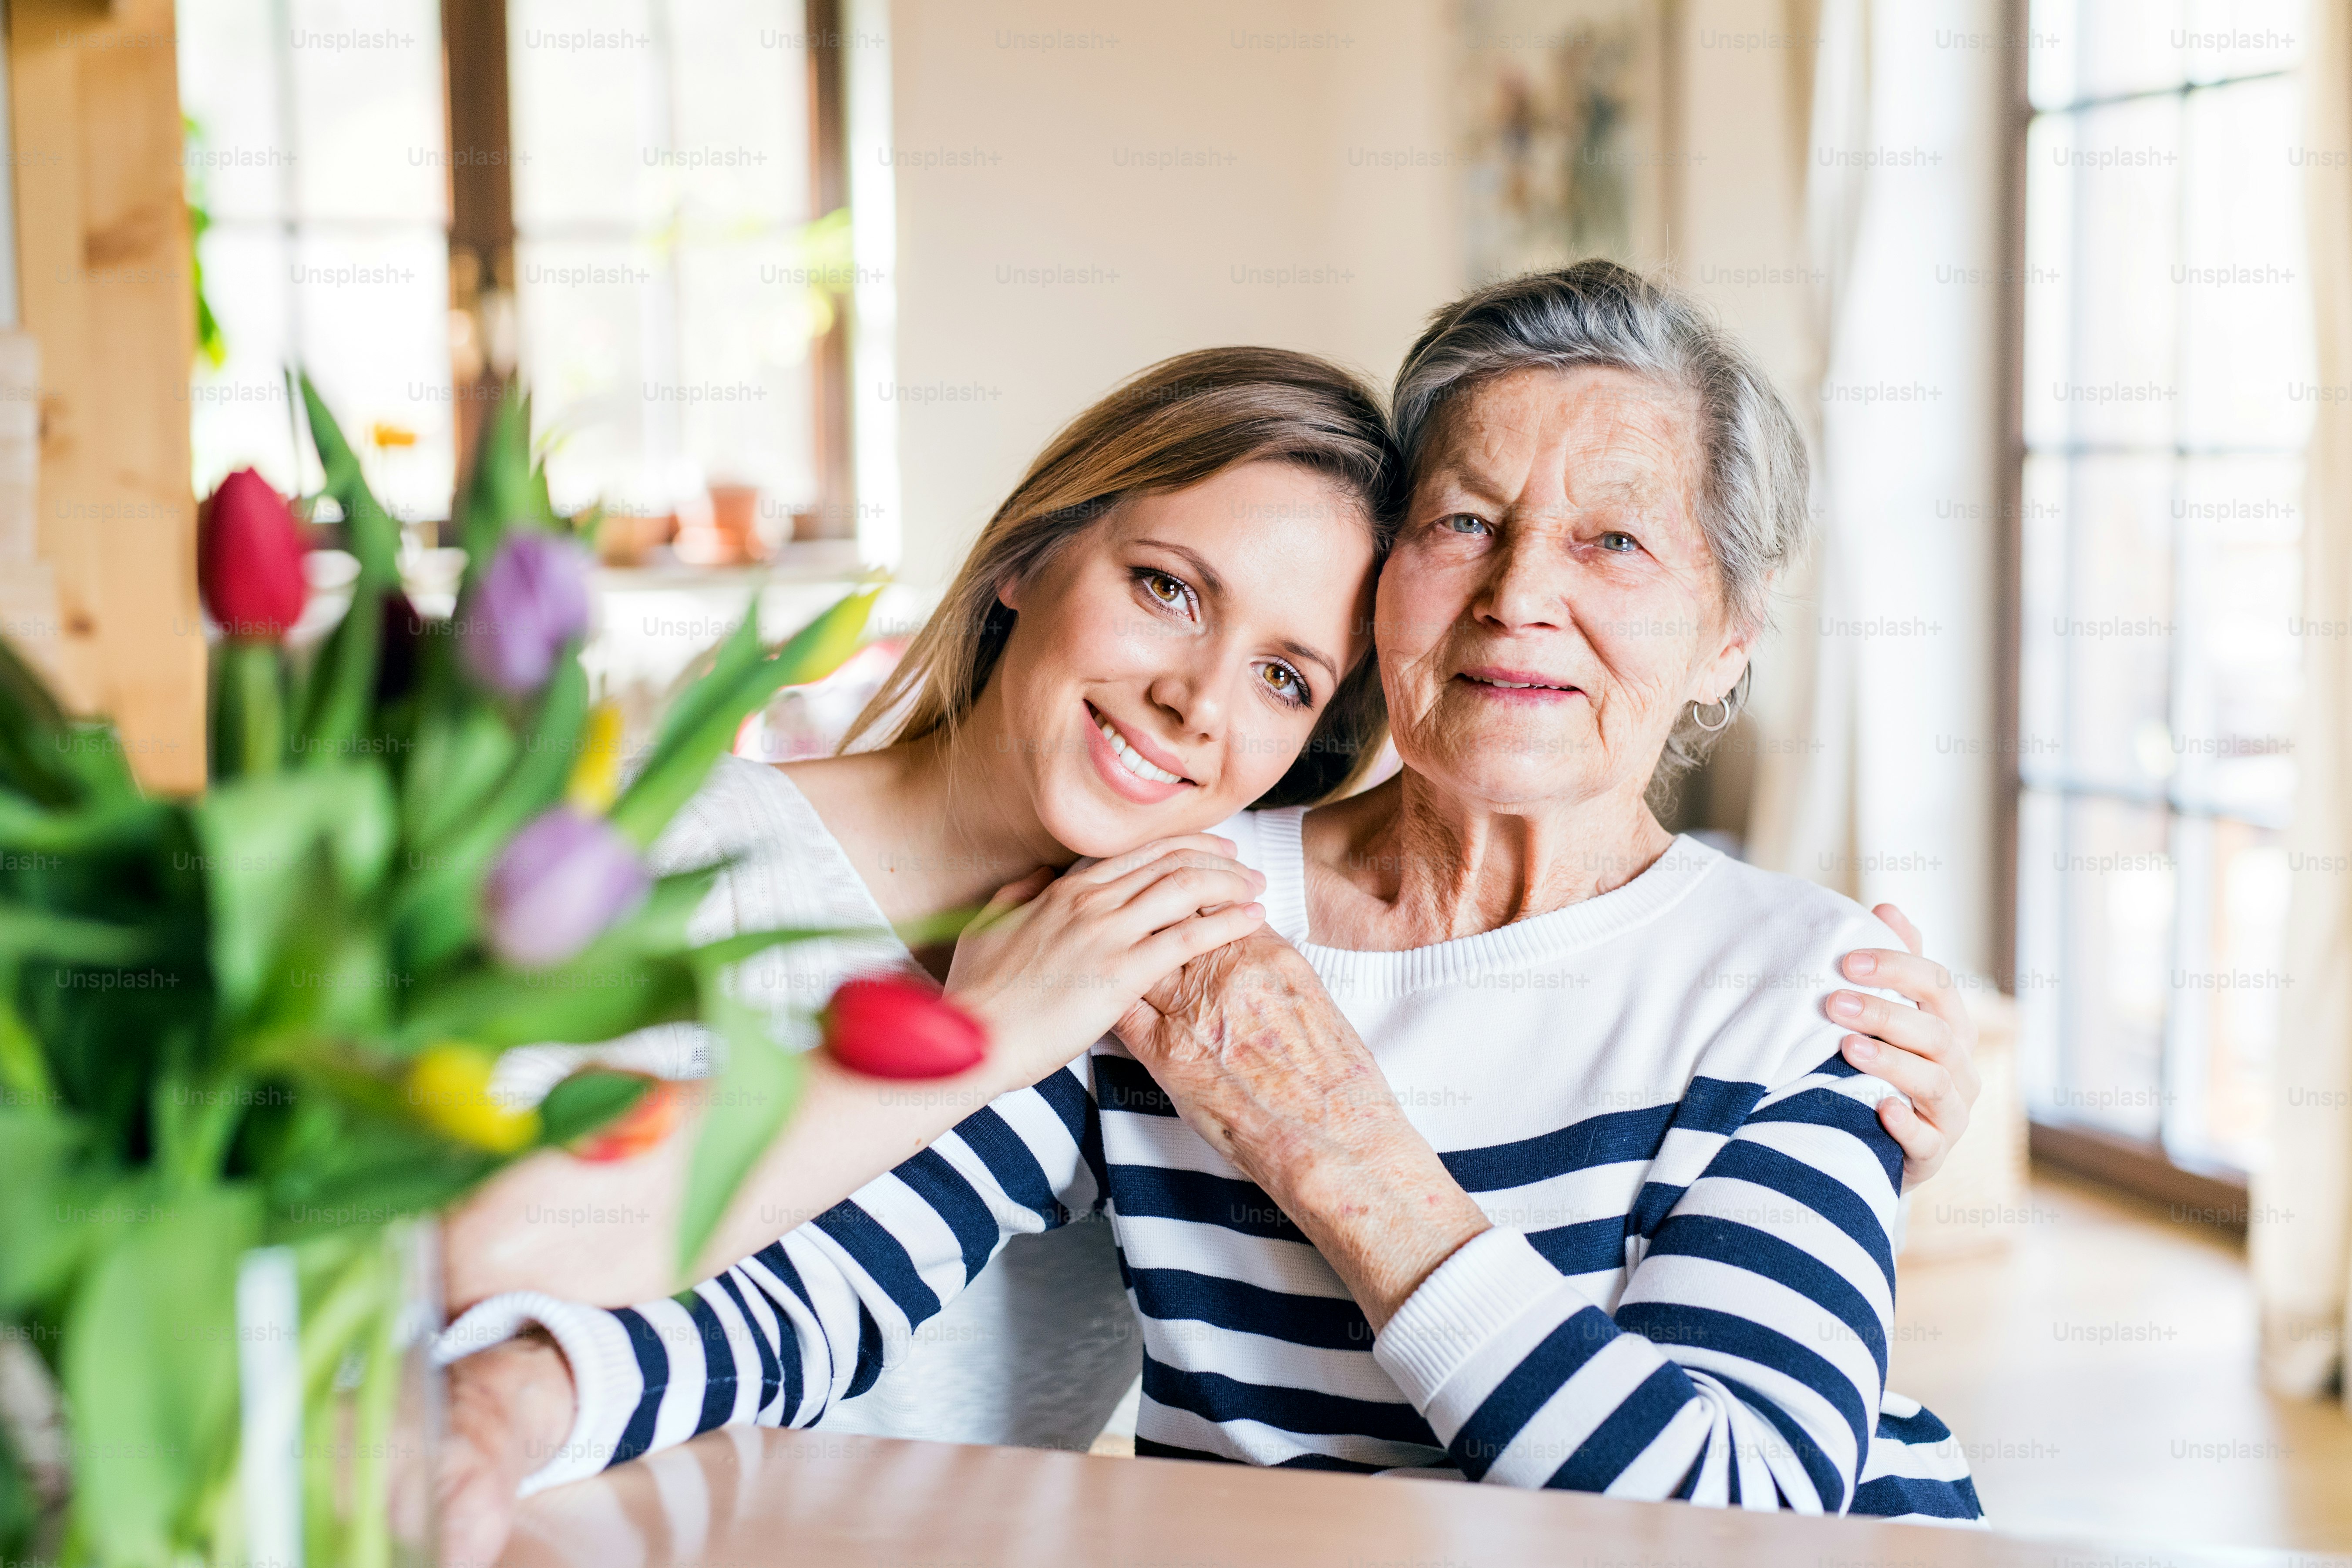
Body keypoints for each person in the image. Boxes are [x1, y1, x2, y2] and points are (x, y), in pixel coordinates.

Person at [439, 281, 1984, 1558]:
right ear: (1391, 602)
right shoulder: (1178, 895)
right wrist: (509, 1404)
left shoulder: (1806, 987)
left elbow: (1751, 1520)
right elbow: (820, 1290)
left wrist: (1341, 1156)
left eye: (1613, 542)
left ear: (1726, 638)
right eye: (1462, 523)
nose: (1518, 595)